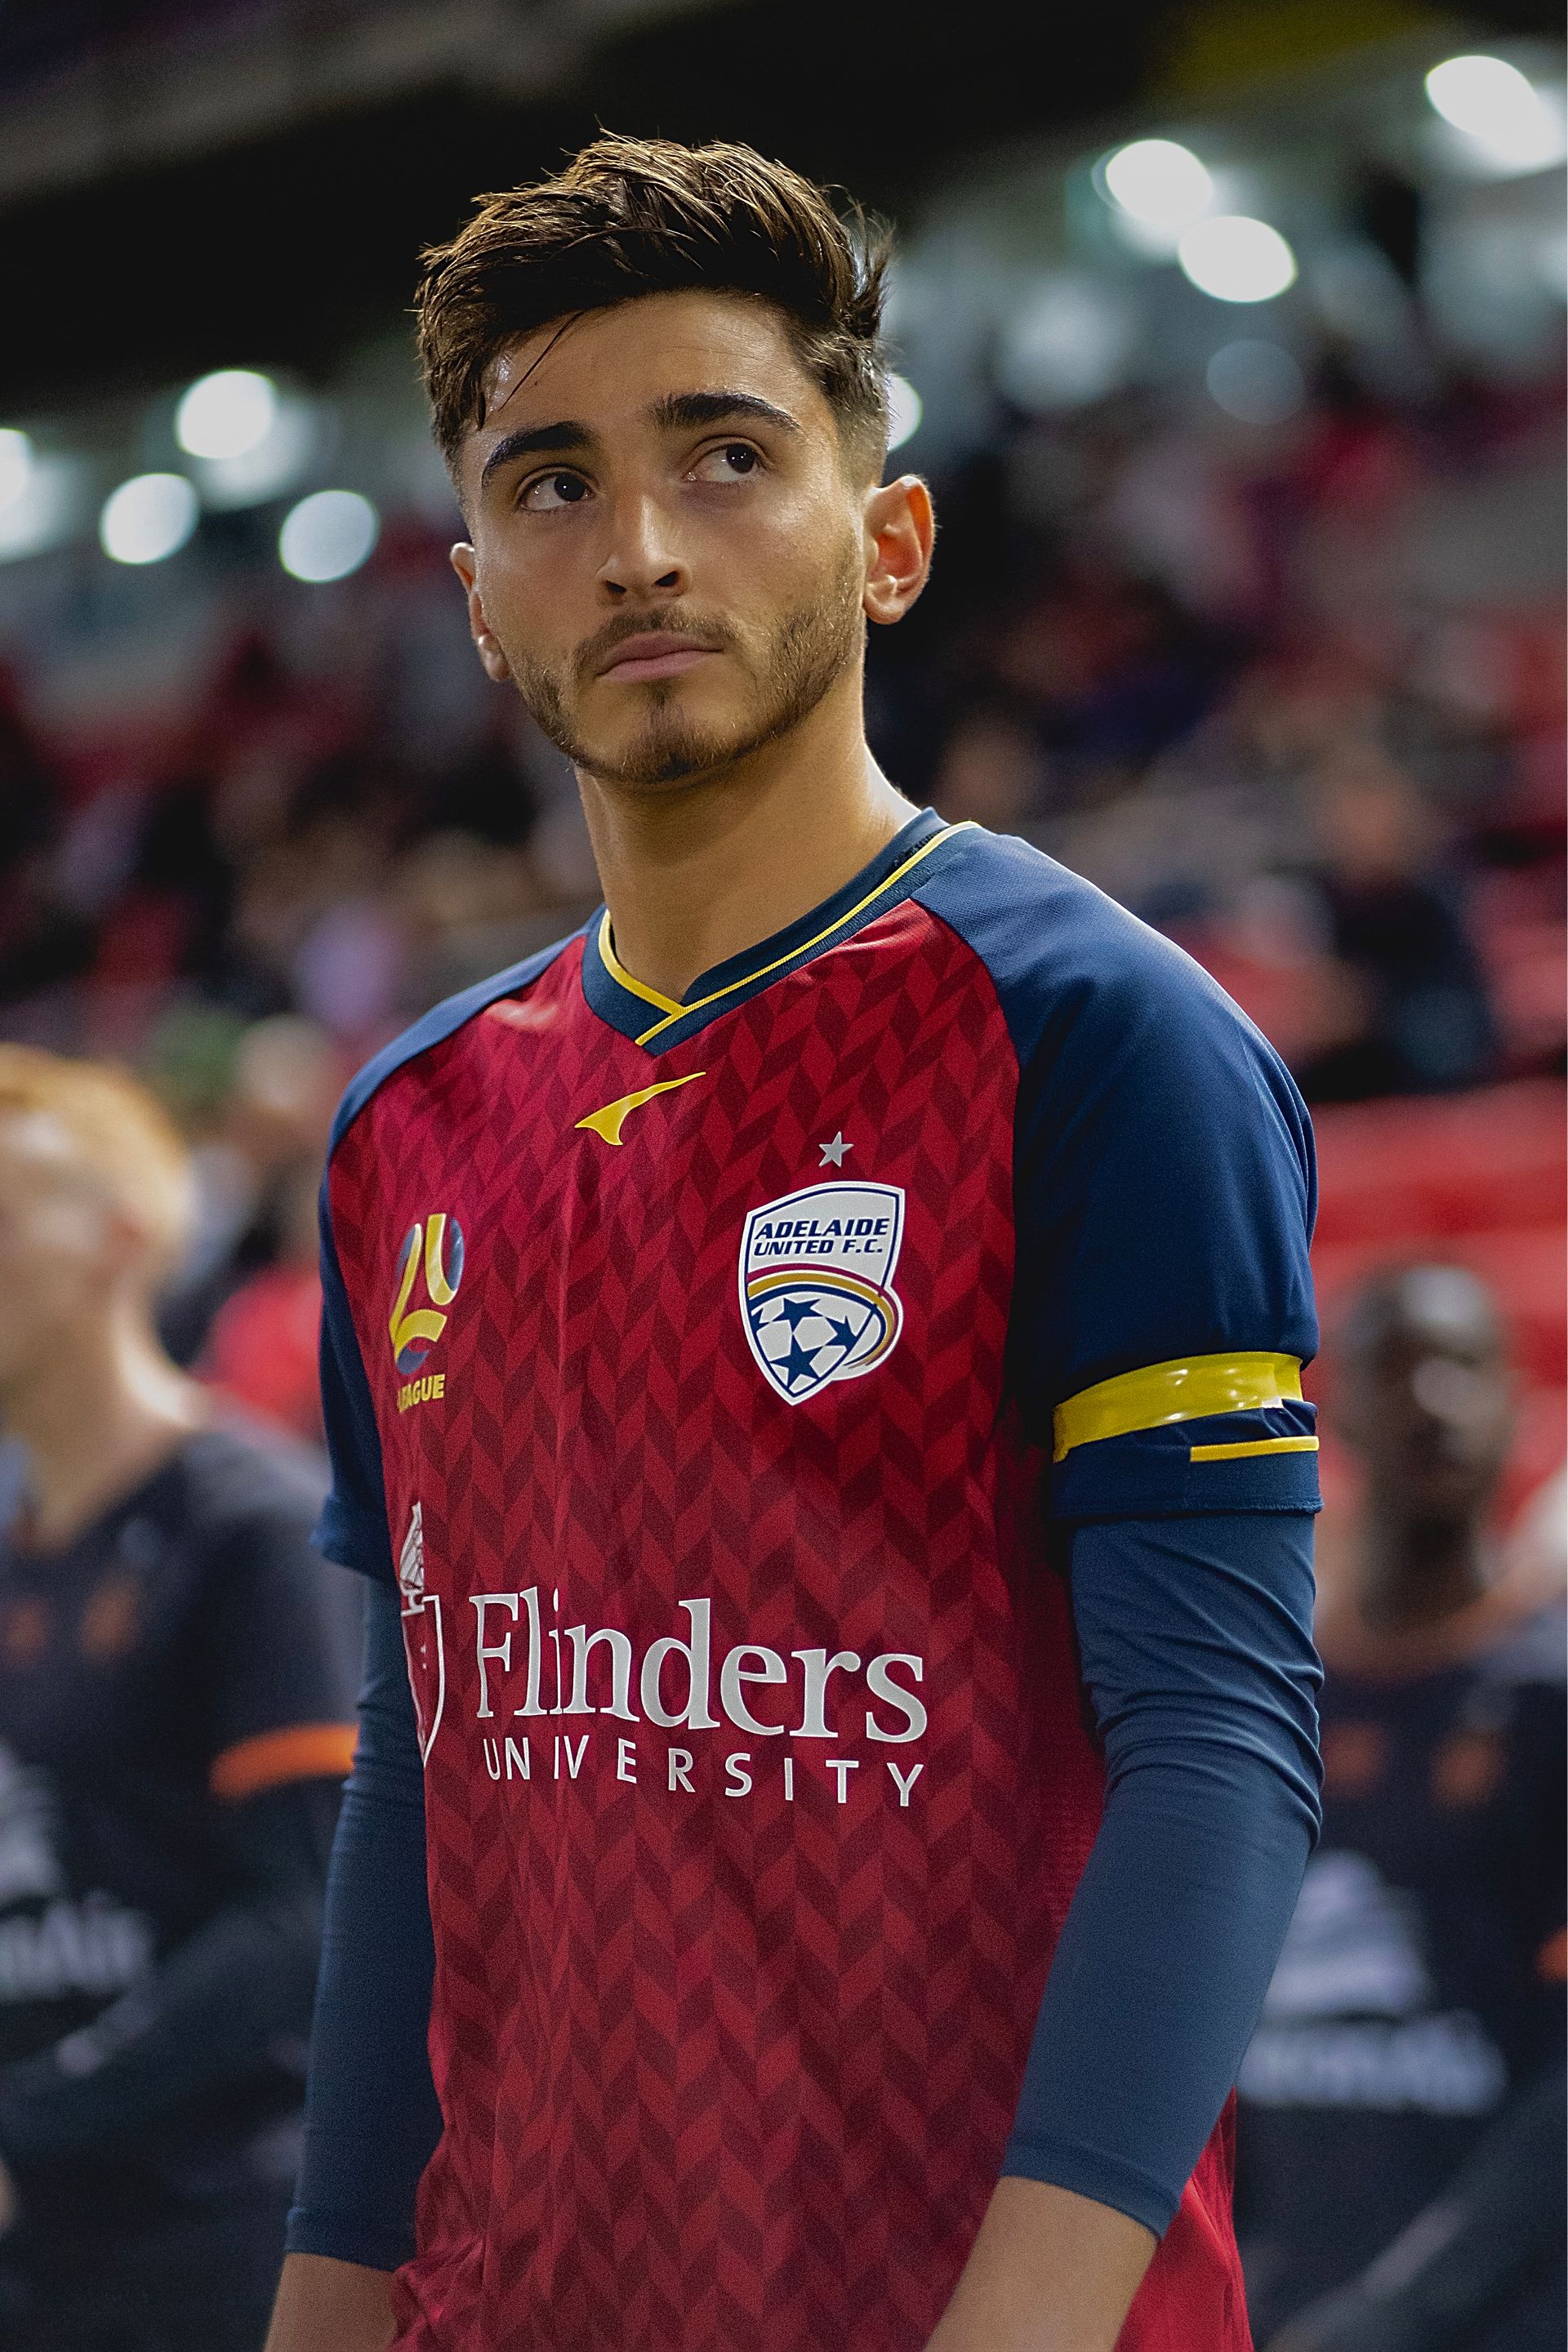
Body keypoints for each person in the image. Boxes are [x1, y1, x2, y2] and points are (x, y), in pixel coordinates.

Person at [266, 136, 1325, 2352]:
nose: (640, 548)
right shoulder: (404, 1131)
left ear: (891, 537)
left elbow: (1217, 1757)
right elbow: (421, 1768)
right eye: (553, 485)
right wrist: (331, 2302)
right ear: (478, 597)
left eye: (727, 456)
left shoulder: (1100, 1038)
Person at [0, 1045, 358, 2350]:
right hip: (37, 2245)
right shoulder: (18, 1550)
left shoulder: (250, 1525)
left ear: (124, 1234)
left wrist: (31, 2122)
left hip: (206, 2240)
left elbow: (300, 1914)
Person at [1237, 1263, 1566, 2350]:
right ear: (1336, 1418)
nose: (1433, 1400)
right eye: (1397, 1369)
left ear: (1518, 1406)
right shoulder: (1263, 1696)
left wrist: (1402, 2314)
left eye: (1463, 1367)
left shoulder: (1549, 1699)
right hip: (1275, 2310)